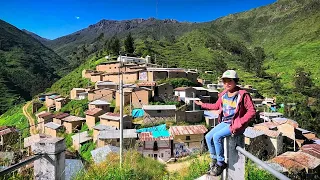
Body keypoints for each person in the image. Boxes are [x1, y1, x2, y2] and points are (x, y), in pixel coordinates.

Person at [195, 70, 256, 176]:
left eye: (229, 81)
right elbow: (215, 106)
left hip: (234, 123)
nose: (227, 83)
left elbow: (252, 111)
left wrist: (240, 123)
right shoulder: (224, 94)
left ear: (235, 81)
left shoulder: (243, 95)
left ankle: (220, 162)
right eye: (224, 81)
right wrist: (202, 104)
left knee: (217, 136)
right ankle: (214, 161)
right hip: (225, 122)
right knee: (208, 136)